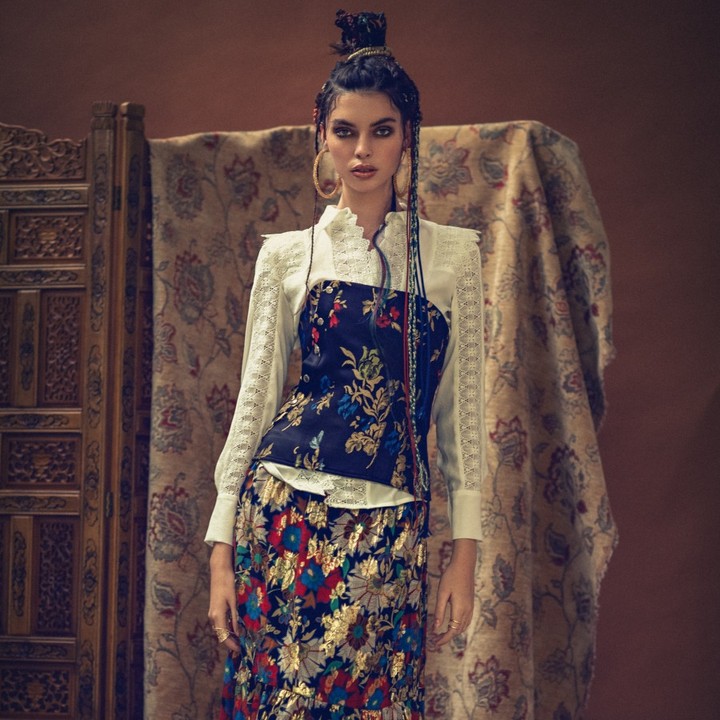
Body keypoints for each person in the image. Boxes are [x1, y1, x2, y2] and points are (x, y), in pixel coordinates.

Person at [207, 9, 486, 719]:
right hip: (283, 516)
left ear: (407, 135)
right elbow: (253, 404)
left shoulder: (453, 259)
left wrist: (465, 553)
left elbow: (461, 418)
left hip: (391, 527)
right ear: (322, 134)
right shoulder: (288, 256)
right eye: (345, 131)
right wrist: (219, 551)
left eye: (381, 131)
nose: (362, 151)